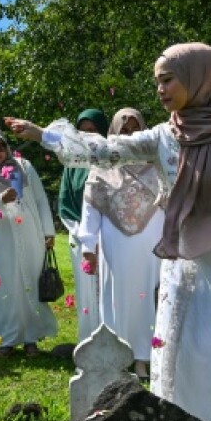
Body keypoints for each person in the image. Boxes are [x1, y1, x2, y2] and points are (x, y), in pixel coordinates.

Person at [7, 42, 211, 421]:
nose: (159, 89)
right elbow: (104, 150)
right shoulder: (164, 136)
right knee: (187, 346)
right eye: (157, 80)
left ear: (198, 78)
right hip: (187, 263)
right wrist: (43, 134)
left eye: (168, 79)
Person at [76, 107, 165, 380]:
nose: (130, 136)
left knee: (150, 300)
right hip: (115, 247)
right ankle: (118, 357)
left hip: (152, 246)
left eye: (136, 130)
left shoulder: (157, 165)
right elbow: (90, 211)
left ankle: (144, 358)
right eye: (124, 131)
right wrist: (88, 248)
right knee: (116, 300)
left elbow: (169, 205)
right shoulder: (102, 167)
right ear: (114, 133)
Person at [0, 127, 58, 357]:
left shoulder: (23, 166)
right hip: (3, 235)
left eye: (1, 146)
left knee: (31, 282)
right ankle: (8, 339)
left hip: (31, 231)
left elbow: (40, 199)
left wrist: (48, 231)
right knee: (7, 285)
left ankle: (31, 339)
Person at [60, 108, 107, 344]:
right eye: (83, 131)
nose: (87, 136)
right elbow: (65, 204)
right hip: (80, 237)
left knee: (108, 291)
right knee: (87, 290)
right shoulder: (72, 164)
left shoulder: (111, 159)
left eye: (92, 130)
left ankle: (114, 340)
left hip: (109, 237)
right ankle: (89, 341)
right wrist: (83, 234)